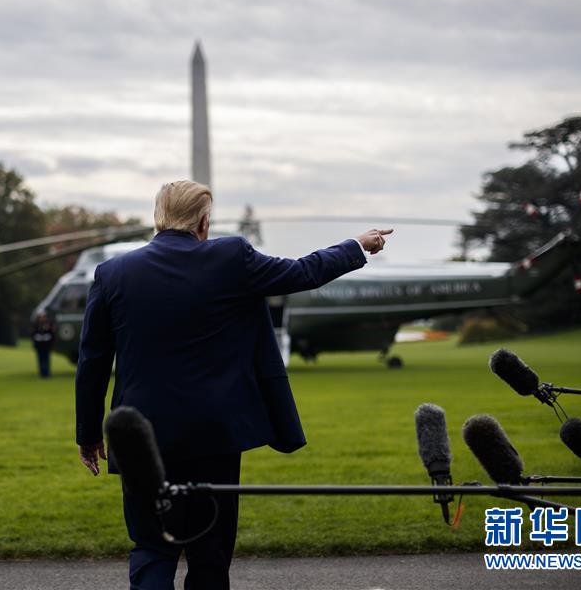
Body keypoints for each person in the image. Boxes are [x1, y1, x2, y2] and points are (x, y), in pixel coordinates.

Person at [75, 180, 391, 590]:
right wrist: (357, 245)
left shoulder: (112, 273)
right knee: (211, 550)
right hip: (216, 431)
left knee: (152, 546)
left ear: (158, 218)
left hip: (141, 434)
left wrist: (87, 435)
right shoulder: (230, 257)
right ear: (204, 222)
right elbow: (302, 272)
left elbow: (93, 362)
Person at [32, 313, 55, 378]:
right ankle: (42, 374)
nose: (42, 318)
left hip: (46, 345)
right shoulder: (36, 325)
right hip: (39, 345)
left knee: (46, 360)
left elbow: (52, 334)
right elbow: (33, 334)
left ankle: (47, 373)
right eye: (41, 317)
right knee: (40, 360)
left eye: (43, 317)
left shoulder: (49, 324)